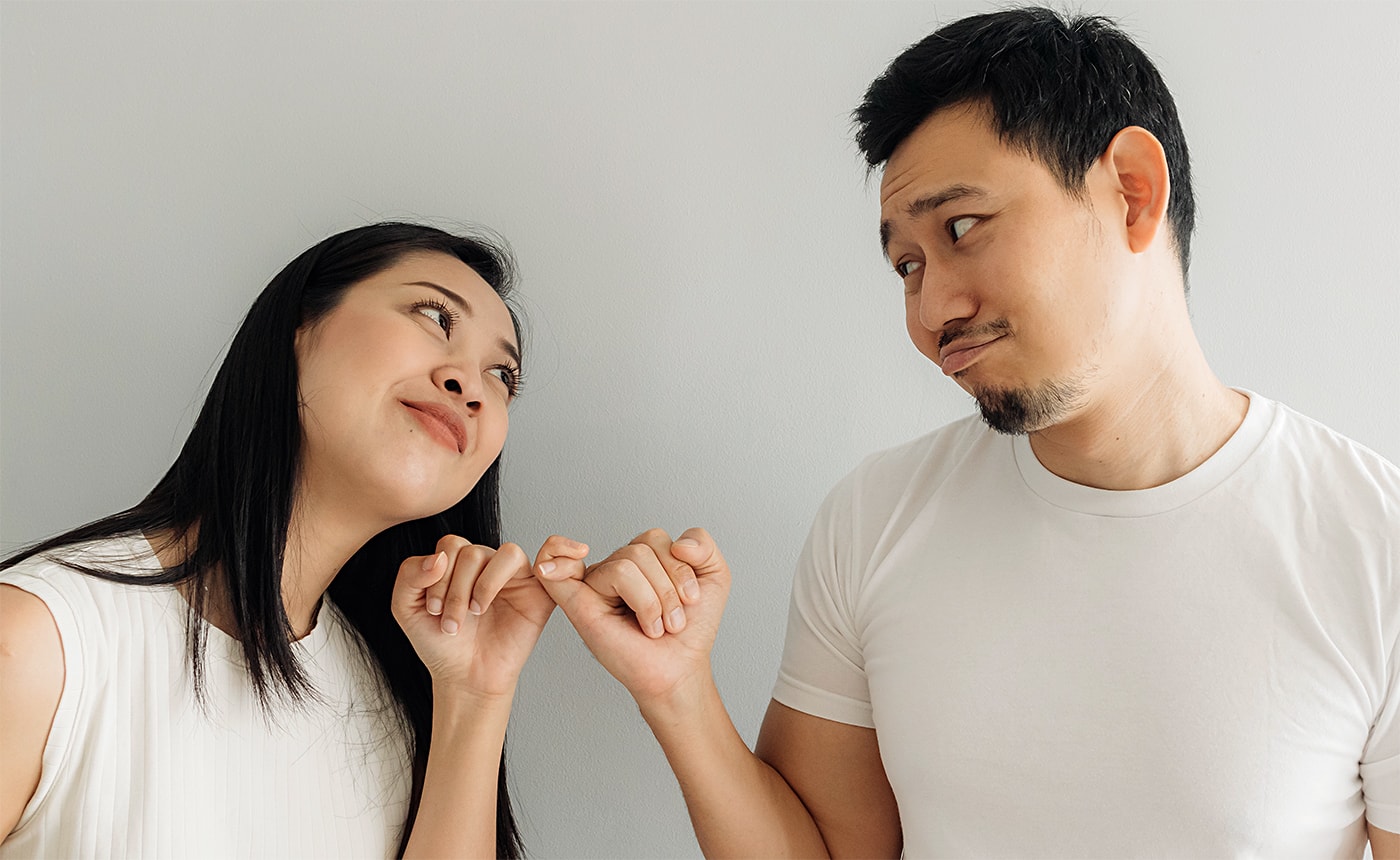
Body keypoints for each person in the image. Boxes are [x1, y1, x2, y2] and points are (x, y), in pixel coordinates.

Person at [533, 7, 1400, 858]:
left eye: (961, 229)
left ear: (1132, 191)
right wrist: (679, 694)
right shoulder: (875, 518)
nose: (932, 310)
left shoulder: (1373, 544)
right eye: (907, 265)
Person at [0, 222, 587, 857]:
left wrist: (474, 696)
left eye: (502, 375)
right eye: (434, 316)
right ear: (297, 328)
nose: (470, 385)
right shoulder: (39, 639)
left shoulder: (396, 695)